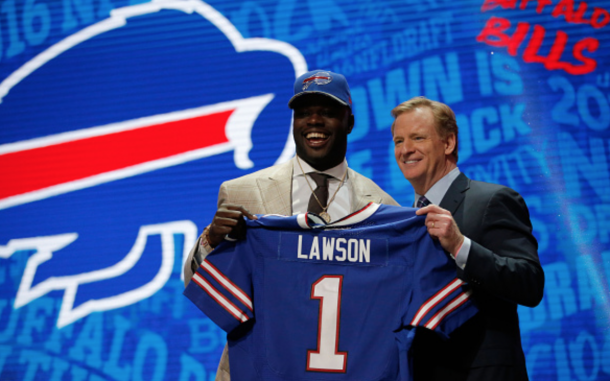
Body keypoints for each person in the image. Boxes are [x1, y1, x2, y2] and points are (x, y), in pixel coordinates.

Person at [183, 69, 398, 381]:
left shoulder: (382, 208)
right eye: (304, 113)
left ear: (349, 122)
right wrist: (210, 242)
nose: (314, 121)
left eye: (327, 112)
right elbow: (197, 287)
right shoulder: (242, 192)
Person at [391, 96, 545, 381]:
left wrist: (460, 246)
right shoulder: (405, 220)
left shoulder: (492, 200)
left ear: (448, 143)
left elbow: (530, 284)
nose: (406, 150)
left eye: (418, 138)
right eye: (399, 141)